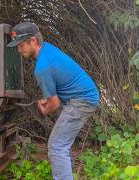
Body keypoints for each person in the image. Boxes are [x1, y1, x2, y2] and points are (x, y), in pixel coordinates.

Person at [7, 22, 99, 180]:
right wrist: (49, 100)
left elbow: (54, 105)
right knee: (62, 144)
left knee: (56, 146)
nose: (19, 50)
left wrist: (45, 109)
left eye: (21, 45)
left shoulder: (42, 68)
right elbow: (57, 91)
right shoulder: (47, 48)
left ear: (33, 41)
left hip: (82, 101)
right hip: (84, 97)